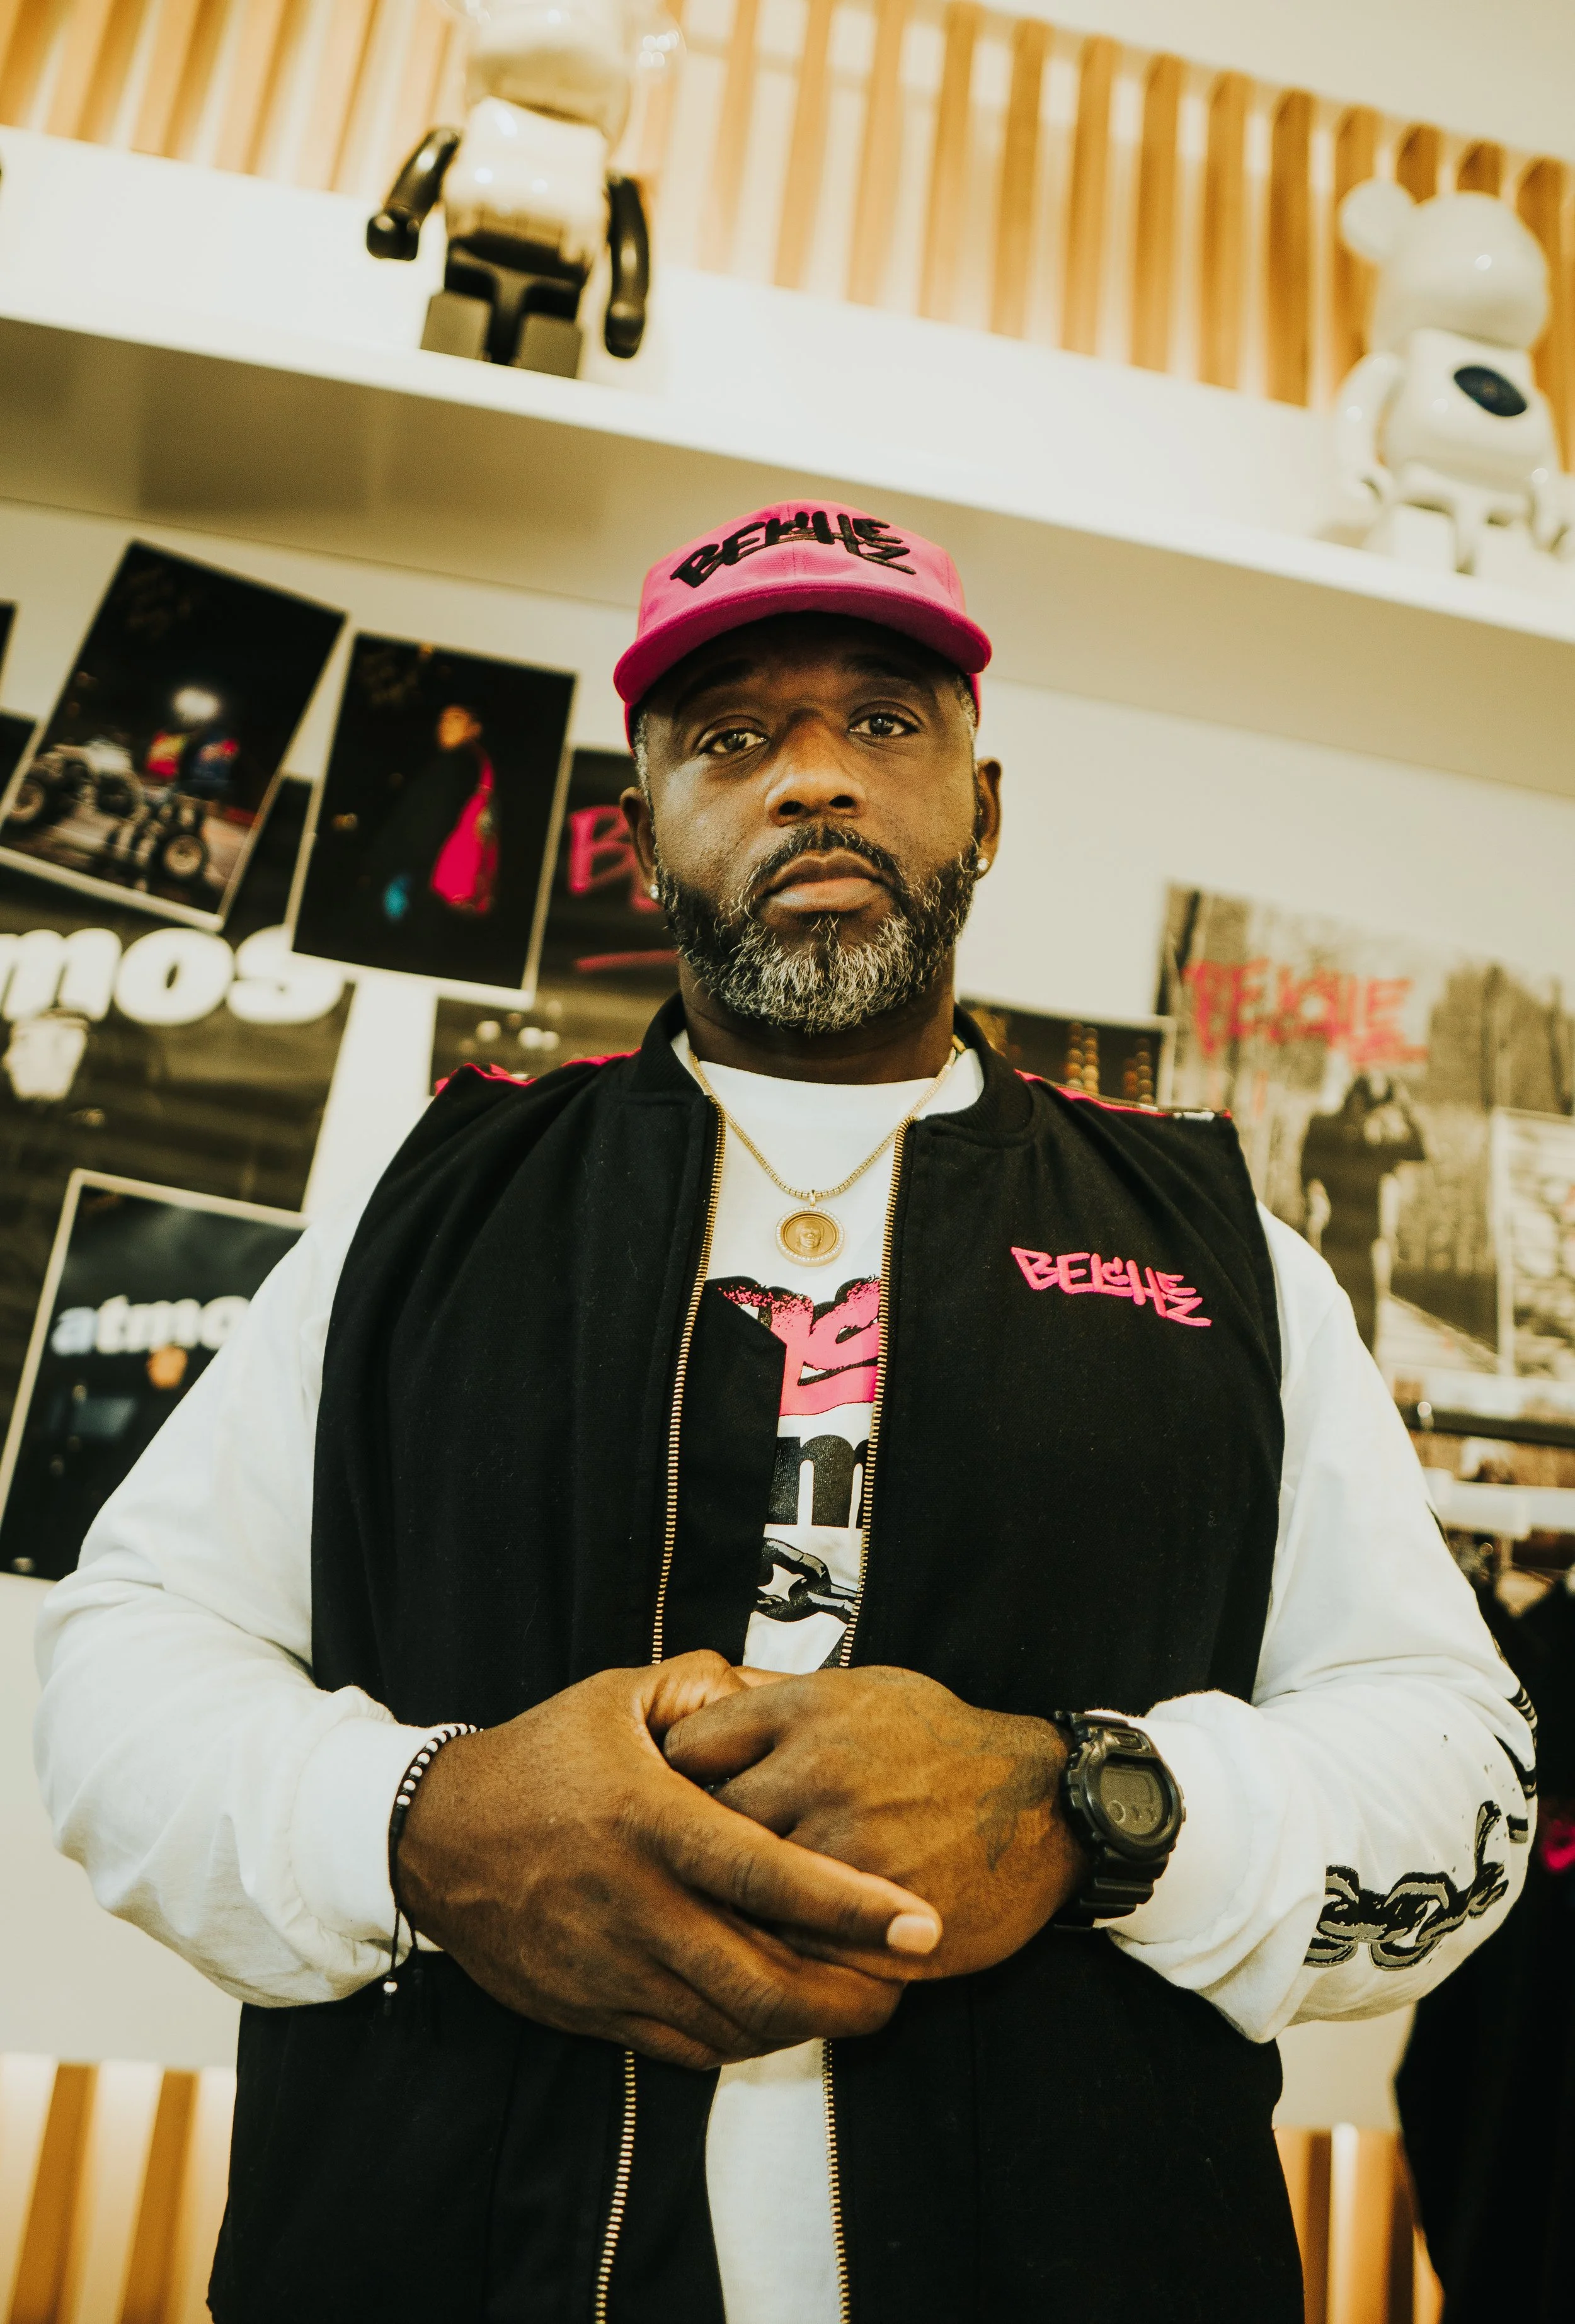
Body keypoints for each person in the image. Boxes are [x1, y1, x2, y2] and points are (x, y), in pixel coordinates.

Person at [34, 502, 1533, 2324]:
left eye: (883, 722)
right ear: (637, 829)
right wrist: (416, 1821)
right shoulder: (417, 1214)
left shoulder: (1228, 1254)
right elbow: (127, 1666)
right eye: (733, 735)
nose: (813, 778)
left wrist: (1092, 1806)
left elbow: (1460, 1764)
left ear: (984, 806)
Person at [1300, 1069, 1427, 1350]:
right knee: (1333, 1313)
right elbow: (1308, 1167)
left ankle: (1359, 1363)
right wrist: (1313, 1194)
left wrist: (1403, 1104)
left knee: (1363, 1322)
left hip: (1365, 1241)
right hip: (1338, 1238)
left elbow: (1419, 1150)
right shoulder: (1333, 1132)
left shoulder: (1376, 1141)